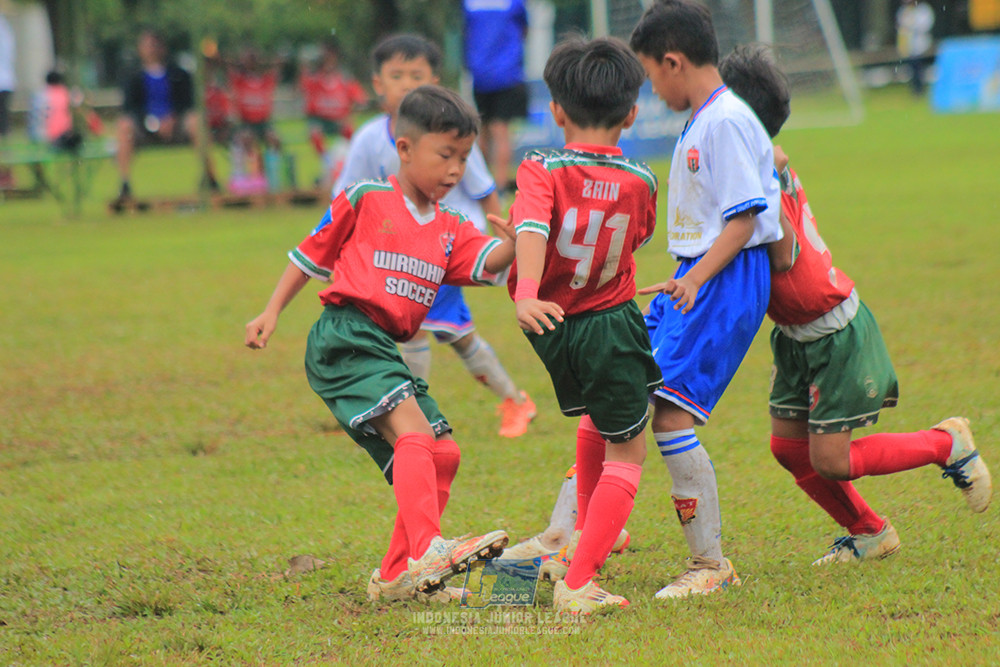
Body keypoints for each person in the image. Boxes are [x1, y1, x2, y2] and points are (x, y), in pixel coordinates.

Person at [719, 44, 992, 565]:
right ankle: (869, 532)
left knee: (832, 460)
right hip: (795, 333)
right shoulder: (761, 163)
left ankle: (945, 443)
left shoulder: (762, 174)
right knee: (788, 448)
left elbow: (781, 256)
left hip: (831, 328)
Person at [245, 85, 512, 602]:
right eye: (445, 155)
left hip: (383, 349)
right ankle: (428, 549)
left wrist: (518, 241)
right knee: (414, 435)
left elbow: (485, 265)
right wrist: (271, 312)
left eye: (465, 157)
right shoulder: (366, 198)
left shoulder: (452, 226)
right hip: (345, 335)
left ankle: (394, 577)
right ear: (404, 147)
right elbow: (309, 255)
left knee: (444, 453)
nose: (456, 169)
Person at [629, 0, 783, 599]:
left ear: (672, 61)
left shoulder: (724, 121)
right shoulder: (706, 117)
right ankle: (572, 533)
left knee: (669, 410)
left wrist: (696, 278)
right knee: (630, 386)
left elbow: (745, 219)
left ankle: (710, 566)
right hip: (699, 271)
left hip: (724, 275)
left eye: (651, 75)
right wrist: (684, 271)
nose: (651, 87)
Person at [505, 35, 661, 614]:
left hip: (553, 326)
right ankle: (578, 584)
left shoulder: (540, 165)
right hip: (610, 325)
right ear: (632, 113)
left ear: (556, 111)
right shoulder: (642, 177)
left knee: (600, 417)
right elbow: (635, 237)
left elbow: (534, 232)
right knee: (630, 451)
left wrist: (524, 291)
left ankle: (585, 533)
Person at [333, 33, 537, 439]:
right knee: (456, 336)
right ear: (378, 85)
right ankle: (514, 400)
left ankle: (410, 421)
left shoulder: (456, 135)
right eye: (396, 75)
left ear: (435, 81)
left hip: (444, 247)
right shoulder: (370, 138)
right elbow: (344, 196)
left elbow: (484, 192)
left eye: (416, 75)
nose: (407, 83)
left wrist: (498, 248)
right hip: (394, 251)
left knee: (416, 329)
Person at [113, 28, 218, 208]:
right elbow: (130, 107)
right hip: (145, 126)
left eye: (155, 45)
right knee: (124, 126)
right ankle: (124, 182)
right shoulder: (133, 76)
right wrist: (150, 121)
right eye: (147, 46)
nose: (151, 49)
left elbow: (188, 102)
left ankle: (209, 177)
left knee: (196, 121)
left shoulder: (179, 73)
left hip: (176, 125)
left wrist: (172, 118)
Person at [462, 0, 528, 195]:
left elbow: (467, 32)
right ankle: (498, 187)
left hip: (481, 73)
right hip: (506, 73)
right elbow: (524, 30)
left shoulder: (470, 3)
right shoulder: (513, 2)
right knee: (501, 131)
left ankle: (482, 183)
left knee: (484, 131)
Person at [299, 34, 368, 189]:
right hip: (320, 119)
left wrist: (350, 114)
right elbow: (303, 87)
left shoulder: (344, 77)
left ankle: (351, 169)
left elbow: (360, 99)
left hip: (339, 119)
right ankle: (328, 166)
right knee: (315, 133)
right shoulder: (314, 78)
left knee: (352, 136)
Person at [896, 0, 935, 96]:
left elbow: (925, 25)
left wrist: (912, 26)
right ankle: (915, 90)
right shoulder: (904, 11)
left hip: (921, 45)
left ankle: (921, 89)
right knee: (912, 69)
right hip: (909, 46)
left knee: (920, 68)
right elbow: (901, 26)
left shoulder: (923, 9)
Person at [0, 6, 15, 189]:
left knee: (3, 131)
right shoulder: (6, 27)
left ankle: (6, 172)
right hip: (7, 82)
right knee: (4, 130)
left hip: (2, 82)